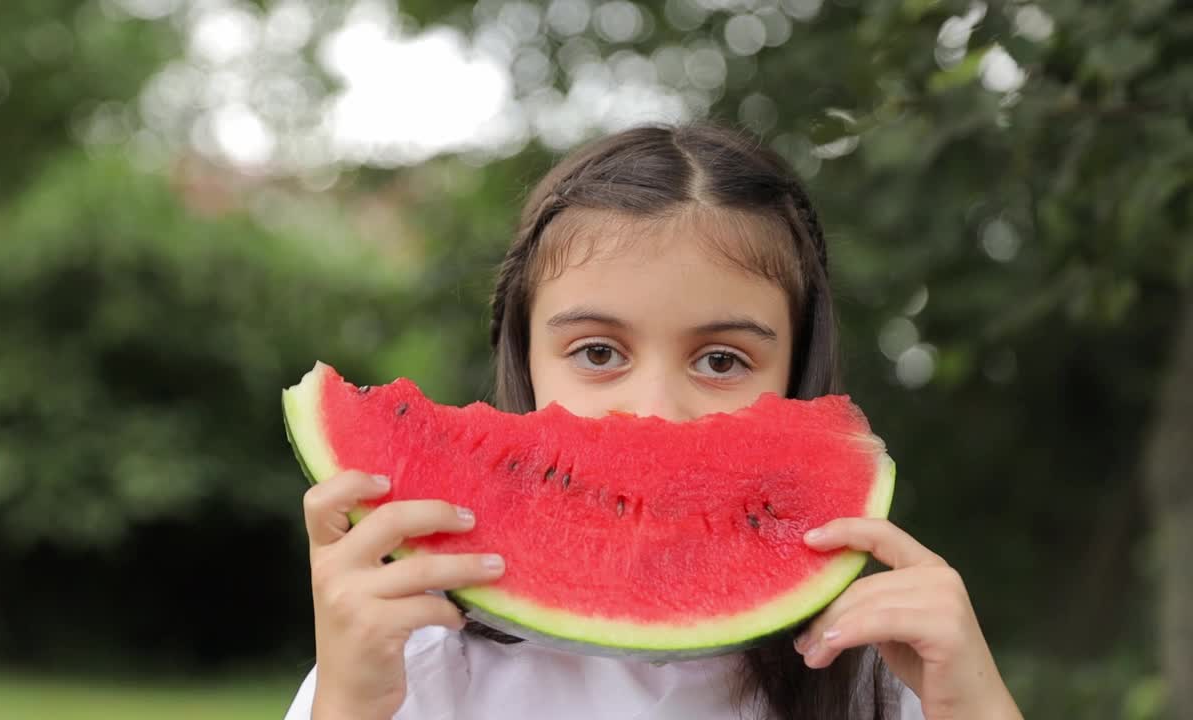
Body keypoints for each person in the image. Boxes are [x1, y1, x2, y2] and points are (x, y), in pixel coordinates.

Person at [284, 123, 1024, 720]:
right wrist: (347, 707)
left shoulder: (887, 678)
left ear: (797, 375)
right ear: (526, 358)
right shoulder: (412, 671)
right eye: (599, 351)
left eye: (722, 361)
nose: (655, 413)